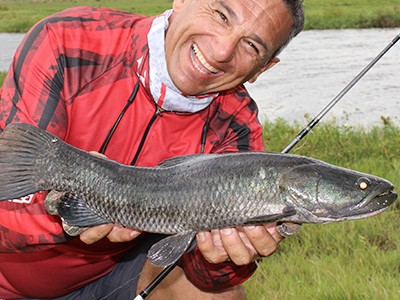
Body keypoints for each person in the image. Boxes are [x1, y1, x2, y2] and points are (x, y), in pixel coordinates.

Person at [0, 0, 304, 299]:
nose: (223, 50)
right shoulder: (67, 42)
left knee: (219, 295)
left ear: (262, 69)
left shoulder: (236, 126)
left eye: (251, 46)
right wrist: (76, 213)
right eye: (222, 15)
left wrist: (230, 256)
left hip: (112, 275)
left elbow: (207, 276)